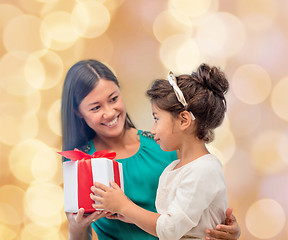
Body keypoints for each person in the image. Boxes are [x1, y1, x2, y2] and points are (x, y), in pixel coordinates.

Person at [61, 59, 241, 240]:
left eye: (113, 99)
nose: (109, 112)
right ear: (78, 112)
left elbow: (201, 202)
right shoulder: (81, 164)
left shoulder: (166, 144)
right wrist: (75, 228)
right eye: (95, 107)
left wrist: (226, 228)